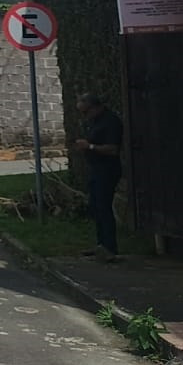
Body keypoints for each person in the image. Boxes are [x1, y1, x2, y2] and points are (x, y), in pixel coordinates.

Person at [73, 93, 124, 261]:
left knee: (104, 206)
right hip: (96, 168)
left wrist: (90, 146)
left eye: (86, 112)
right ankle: (101, 244)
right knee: (95, 205)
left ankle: (110, 247)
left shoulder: (110, 122)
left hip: (107, 169)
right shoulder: (95, 121)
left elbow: (112, 149)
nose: (85, 116)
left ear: (95, 107)